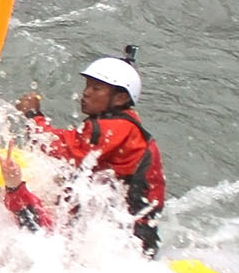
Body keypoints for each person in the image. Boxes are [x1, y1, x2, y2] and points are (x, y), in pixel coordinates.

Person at [14, 54, 167, 255]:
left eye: (96, 88)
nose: (86, 93)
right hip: (127, 228)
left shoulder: (116, 129)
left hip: (131, 238)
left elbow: (57, 147)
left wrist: (33, 116)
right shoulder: (117, 124)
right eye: (87, 86)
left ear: (120, 98)